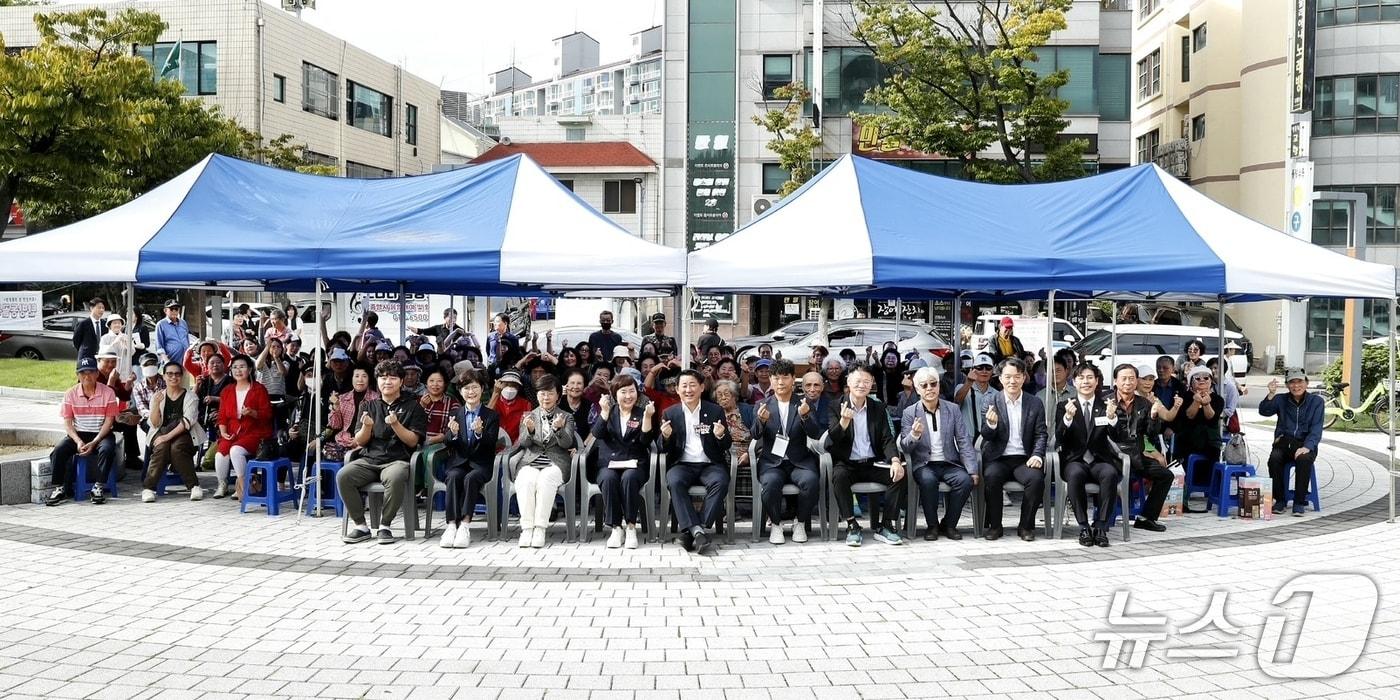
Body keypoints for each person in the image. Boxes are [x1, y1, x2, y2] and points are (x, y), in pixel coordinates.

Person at [338, 359, 429, 544]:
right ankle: (361, 526)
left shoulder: (414, 406)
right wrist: (367, 427)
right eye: (383, 377)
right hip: (370, 459)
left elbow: (413, 441)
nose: (387, 382)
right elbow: (360, 441)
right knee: (343, 476)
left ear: (401, 381)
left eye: (393, 378)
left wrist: (395, 424)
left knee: (395, 477)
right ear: (377, 381)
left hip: (398, 460)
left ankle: (385, 526)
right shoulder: (368, 406)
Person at [828, 365, 906, 547]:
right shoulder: (835, 406)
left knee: (900, 474)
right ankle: (851, 525)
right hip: (848, 463)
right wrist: (844, 422)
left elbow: (887, 438)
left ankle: (886, 525)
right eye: (857, 381)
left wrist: (895, 460)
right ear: (848, 382)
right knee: (839, 476)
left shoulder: (878, 407)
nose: (862, 385)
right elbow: (833, 439)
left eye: (866, 381)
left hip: (873, 463)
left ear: (872, 384)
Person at [749, 358, 825, 545]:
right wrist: (761, 421)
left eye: (785, 377)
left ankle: (800, 522)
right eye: (776, 378)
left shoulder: (804, 404)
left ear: (793, 379)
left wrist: (805, 416)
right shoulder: (762, 405)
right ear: (771, 380)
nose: (780, 382)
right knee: (770, 484)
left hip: (799, 461)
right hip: (772, 462)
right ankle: (776, 524)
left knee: (811, 481)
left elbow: (815, 434)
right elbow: (754, 434)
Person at [901, 366, 979, 541]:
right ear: (917, 389)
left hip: (949, 462)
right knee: (928, 481)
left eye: (933, 384)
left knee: (965, 481)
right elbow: (905, 447)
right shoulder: (909, 412)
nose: (929, 388)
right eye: (924, 385)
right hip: (924, 464)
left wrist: (972, 469)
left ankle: (949, 524)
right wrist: (914, 435)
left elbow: (963, 440)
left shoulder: (953, 409)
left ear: (938, 386)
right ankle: (932, 525)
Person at [660, 369, 732, 555]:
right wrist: (666, 437)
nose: (688, 390)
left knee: (721, 481)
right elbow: (663, 448)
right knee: (674, 481)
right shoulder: (670, 413)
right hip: (682, 464)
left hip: (710, 463)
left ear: (701, 387)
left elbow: (726, 444)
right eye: (684, 386)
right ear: (677, 389)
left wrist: (720, 435)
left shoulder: (714, 410)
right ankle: (698, 532)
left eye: (692, 385)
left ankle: (693, 530)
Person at [1056, 363, 1124, 548]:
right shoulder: (1064, 406)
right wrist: (1067, 419)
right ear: (1074, 382)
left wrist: (1112, 418)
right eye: (1081, 378)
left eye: (1089, 378)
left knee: (1110, 474)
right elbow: (1059, 438)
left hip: (1099, 459)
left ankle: (1101, 527)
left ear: (1096, 381)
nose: (1085, 382)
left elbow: (1118, 437)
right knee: (1075, 474)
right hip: (1074, 460)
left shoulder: (1106, 406)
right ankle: (1084, 527)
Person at [979, 358, 1048, 542]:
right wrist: (991, 425)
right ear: (1000, 378)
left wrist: (1037, 455)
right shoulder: (990, 401)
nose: (1012, 381)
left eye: (1017, 376)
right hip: (998, 457)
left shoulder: (1035, 403)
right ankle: (995, 526)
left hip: (1024, 458)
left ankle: (1026, 526)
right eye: (1008, 377)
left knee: (1036, 479)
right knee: (991, 477)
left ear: (1024, 377)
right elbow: (985, 435)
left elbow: (1041, 433)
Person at [592, 374, 657, 548]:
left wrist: (648, 418)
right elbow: (597, 434)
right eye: (623, 392)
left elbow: (645, 441)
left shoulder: (641, 413)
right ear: (615, 394)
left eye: (632, 391)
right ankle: (616, 528)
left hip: (635, 463)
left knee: (629, 478)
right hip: (609, 463)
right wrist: (604, 413)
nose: (628, 396)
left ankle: (631, 527)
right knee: (608, 478)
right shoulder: (609, 411)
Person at [44, 357, 120, 506]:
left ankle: (98, 487)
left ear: (97, 374)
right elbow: (67, 423)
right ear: (77, 375)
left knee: (107, 449)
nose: (87, 376)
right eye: (83, 373)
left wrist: (95, 442)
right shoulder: (70, 393)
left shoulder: (108, 392)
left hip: (101, 433)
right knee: (59, 451)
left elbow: (109, 422)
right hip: (79, 433)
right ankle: (59, 488)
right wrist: (78, 441)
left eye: (91, 372)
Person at [437, 369, 500, 548]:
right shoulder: (455, 413)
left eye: (474, 387)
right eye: (466, 388)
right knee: (453, 476)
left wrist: (480, 433)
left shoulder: (491, 415)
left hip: (481, 464)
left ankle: (464, 525)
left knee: (471, 478)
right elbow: (447, 441)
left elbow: (491, 443)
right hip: (459, 462)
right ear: (460, 391)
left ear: (482, 389)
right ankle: (451, 525)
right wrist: (453, 434)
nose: (471, 392)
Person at [512, 374, 576, 548]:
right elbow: (523, 443)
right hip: (531, 460)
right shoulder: (528, 415)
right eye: (542, 393)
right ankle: (527, 528)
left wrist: (558, 429)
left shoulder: (566, 417)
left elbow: (567, 443)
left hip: (556, 462)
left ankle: (540, 528)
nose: (546, 397)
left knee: (545, 479)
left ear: (558, 395)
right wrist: (530, 431)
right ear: (537, 395)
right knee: (525, 479)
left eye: (550, 393)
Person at [1106, 364, 1172, 533]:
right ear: (1115, 381)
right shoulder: (1106, 401)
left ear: (1136, 382)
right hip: (1111, 455)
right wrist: (1110, 417)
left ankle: (1146, 518)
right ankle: (1105, 517)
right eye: (1124, 379)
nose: (1128, 382)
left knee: (1166, 475)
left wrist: (1154, 416)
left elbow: (1151, 433)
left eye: (1131, 379)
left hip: (1136, 455)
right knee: (1109, 476)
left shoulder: (1144, 403)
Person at [1260, 369, 1325, 517]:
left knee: (1304, 459)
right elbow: (1264, 411)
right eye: (1292, 382)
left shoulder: (1317, 402)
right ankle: (1280, 500)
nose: (1296, 386)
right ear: (1287, 385)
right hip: (1284, 444)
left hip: (1305, 444)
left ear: (1306, 383)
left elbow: (1316, 428)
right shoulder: (1281, 399)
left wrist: (1307, 446)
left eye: (1299, 381)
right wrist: (1271, 394)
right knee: (1274, 459)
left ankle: (1299, 502)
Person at [140, 363, 206, 502]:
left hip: (184, 434)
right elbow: (154, 424)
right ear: (164, 376)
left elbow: (187, 422)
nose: (173, 377)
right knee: (161, 447)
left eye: (177, 374)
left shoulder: (191, 397)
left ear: (182, 376)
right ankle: (148, 488)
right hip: (161, 431)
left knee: (177, 448)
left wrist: (166, 437)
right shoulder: (158, 396)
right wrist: (156, 405)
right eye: (169, 374)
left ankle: (194, 486)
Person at [214, 354, 273, 499]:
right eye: (235, 367)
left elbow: (267, 414)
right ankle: (222, 484)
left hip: (255, 432)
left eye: (242, 367)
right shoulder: (227, 390)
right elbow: (222, 416)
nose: (238, 370)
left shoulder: (259, 389)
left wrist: (253, 413)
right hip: (232, 432)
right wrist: (223, 432)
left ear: (250, 369)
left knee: (235, 451)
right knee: (220, 454)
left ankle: (243, 486)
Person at [1174, 365, 1224, 491]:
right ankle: (1185, 489)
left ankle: (1210, 488)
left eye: (1206, 378)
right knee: (1183, 450)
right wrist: (1196, 402)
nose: (1202, 380)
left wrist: (1206, 403)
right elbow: (1189, 416)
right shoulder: (1185, 396)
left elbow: (1211, 418)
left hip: (1210, 440)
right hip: (1188, 438)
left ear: (1211, 381)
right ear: (1191, 382)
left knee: (1213, 452)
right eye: (1197, 378)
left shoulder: (1218, 399)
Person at [323, 368, 379, 461]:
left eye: (364, 376)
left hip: (368, 443)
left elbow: (378, 427)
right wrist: (336, 406)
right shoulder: (343, 398)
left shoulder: (376, 399)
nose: (360, 380)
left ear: (369, 379)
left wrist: (360, 440)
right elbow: (335, 425)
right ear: (352, 378)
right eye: (356, 376)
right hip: (344, 442)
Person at [956, 352, 1000, 435]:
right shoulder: (961, 387)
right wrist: (969, 382)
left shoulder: (997, 394)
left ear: (992, 371)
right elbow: (957, 402)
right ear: (973, 370)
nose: (984, 371)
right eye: (980, 368)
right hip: (966, 438)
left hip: (988, 438)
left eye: (988, 368)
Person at [488, 370, 532, 443]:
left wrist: (517, 444)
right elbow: (486, 418)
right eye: (506, 384)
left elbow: (525, 430)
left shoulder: (526, 404)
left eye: (514, 385)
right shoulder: (495, 401)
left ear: (518, 388)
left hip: (517, 445)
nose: (510, 388)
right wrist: (495, 393)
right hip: (494, 444)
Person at [99, 314, 141, 382]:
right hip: (110, 371)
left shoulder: (126, 337)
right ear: (110, 325)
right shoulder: (105, 338)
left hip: (125, 372)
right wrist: (115, 342)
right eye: (114, 323)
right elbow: (102, 353)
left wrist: (127, 345)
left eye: (119, 323)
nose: (117, 325)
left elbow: (132, 352)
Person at [155, 300, 190, 365]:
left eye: (176, 309)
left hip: (186, 361)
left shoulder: (183, 323)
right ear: (165, 310)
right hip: (171, 361)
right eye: (171, 309)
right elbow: (159, 347)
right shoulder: (161, 324)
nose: (174, 311)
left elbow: (187, 340)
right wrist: (166, 361)